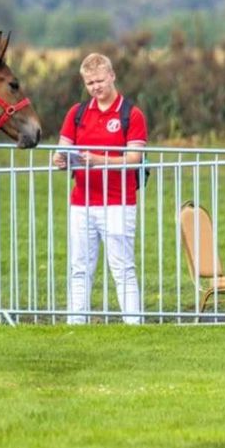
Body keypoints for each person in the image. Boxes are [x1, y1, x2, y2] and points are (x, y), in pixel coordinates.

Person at [53, 53, 146, 325]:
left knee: (122, 267)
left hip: (118, 202)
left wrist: (99, 160)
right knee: (79, 267)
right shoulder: (77, 113)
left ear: (112, 76)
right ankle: (76, 323)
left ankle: (133, 324)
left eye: (100, 80)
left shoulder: (132, 114)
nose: (96, 87)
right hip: (81, 203)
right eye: (90, 82)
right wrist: (60, 159)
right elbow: (62, 148)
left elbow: (134, 158)